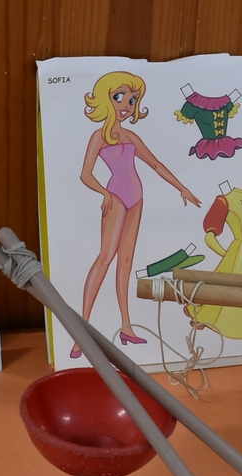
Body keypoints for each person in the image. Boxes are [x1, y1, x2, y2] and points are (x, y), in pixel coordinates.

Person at [74, 71, 200, 358]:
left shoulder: (131, 135)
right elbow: (85, 174)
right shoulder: (99, 137)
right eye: (119, 97)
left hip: (137, 198)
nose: (126, 105)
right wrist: (105, 194)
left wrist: (182, 188)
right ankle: (80, 332)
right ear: (105, 97)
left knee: (126, 262)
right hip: (116, 198)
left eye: (132, 100)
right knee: (105, 258)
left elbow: (155, 164)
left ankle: (127, 327)